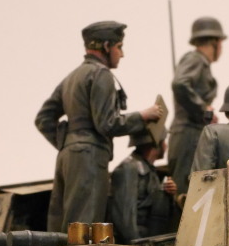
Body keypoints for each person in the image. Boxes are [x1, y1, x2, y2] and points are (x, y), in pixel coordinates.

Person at [35, 20, 163, 233]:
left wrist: (70, 144)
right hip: (90, 157)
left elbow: (43, 119)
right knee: (85, 226)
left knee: (63, 226)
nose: (122, 54)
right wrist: (142, 116)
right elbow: (107, 124)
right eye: (119, 47)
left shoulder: (71, 77)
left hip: (68, 156)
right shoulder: (101, 74)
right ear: (106, 46)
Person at [168, 16, 227, 197]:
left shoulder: (201, 63)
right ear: (215, 42)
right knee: (185, 191)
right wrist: (203, 109)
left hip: (192, 133)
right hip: (188, 134)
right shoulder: (195, 59)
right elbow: (180, 83)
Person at [109, 124, 177, 243]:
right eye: (164, 140)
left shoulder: (150, 171)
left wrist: (169, 195)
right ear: (156, 142)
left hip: (149, 241)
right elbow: (125, 217)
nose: (166, 145)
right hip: (136, 245)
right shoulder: (129, 168)